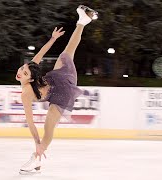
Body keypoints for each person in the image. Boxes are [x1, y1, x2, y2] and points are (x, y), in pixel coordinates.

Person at [16, 5, 98, 174]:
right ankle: (82, 22)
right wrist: (53, 39)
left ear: (30, 78)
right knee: (66, 53)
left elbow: (31, 124)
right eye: (21, 70)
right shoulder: (30, 76)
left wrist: (38, 143)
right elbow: (41, 52)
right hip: (60, 81)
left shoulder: (26, 92)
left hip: (62, 87)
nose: (19, 73)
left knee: (48, 126)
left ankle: (36, 159)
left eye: (23, 72)